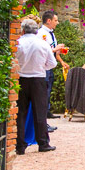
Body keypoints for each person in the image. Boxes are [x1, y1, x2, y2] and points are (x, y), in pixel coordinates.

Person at [15, 18, 57, 154]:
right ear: (36, 30)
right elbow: (52, 63)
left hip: (21, 79)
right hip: (38, 78)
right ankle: (43, 142)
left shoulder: (18, 43)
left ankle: (20, 145)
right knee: (40, 112)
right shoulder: (42, 44)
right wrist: (42, 66)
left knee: (21, 112)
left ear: (22, 29)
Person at [38, 10, 68, 131]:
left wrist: (60, 59)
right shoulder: (41, 33)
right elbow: (42, 50)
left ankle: (47, 112)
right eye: (55, 20)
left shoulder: (51, 33)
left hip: (50, 67)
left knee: (48, 92)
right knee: (43, 94)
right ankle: (43, 121)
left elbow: (52, 49)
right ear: (49, 21)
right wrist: (55, 49)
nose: (57, 22)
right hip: (43, 67)